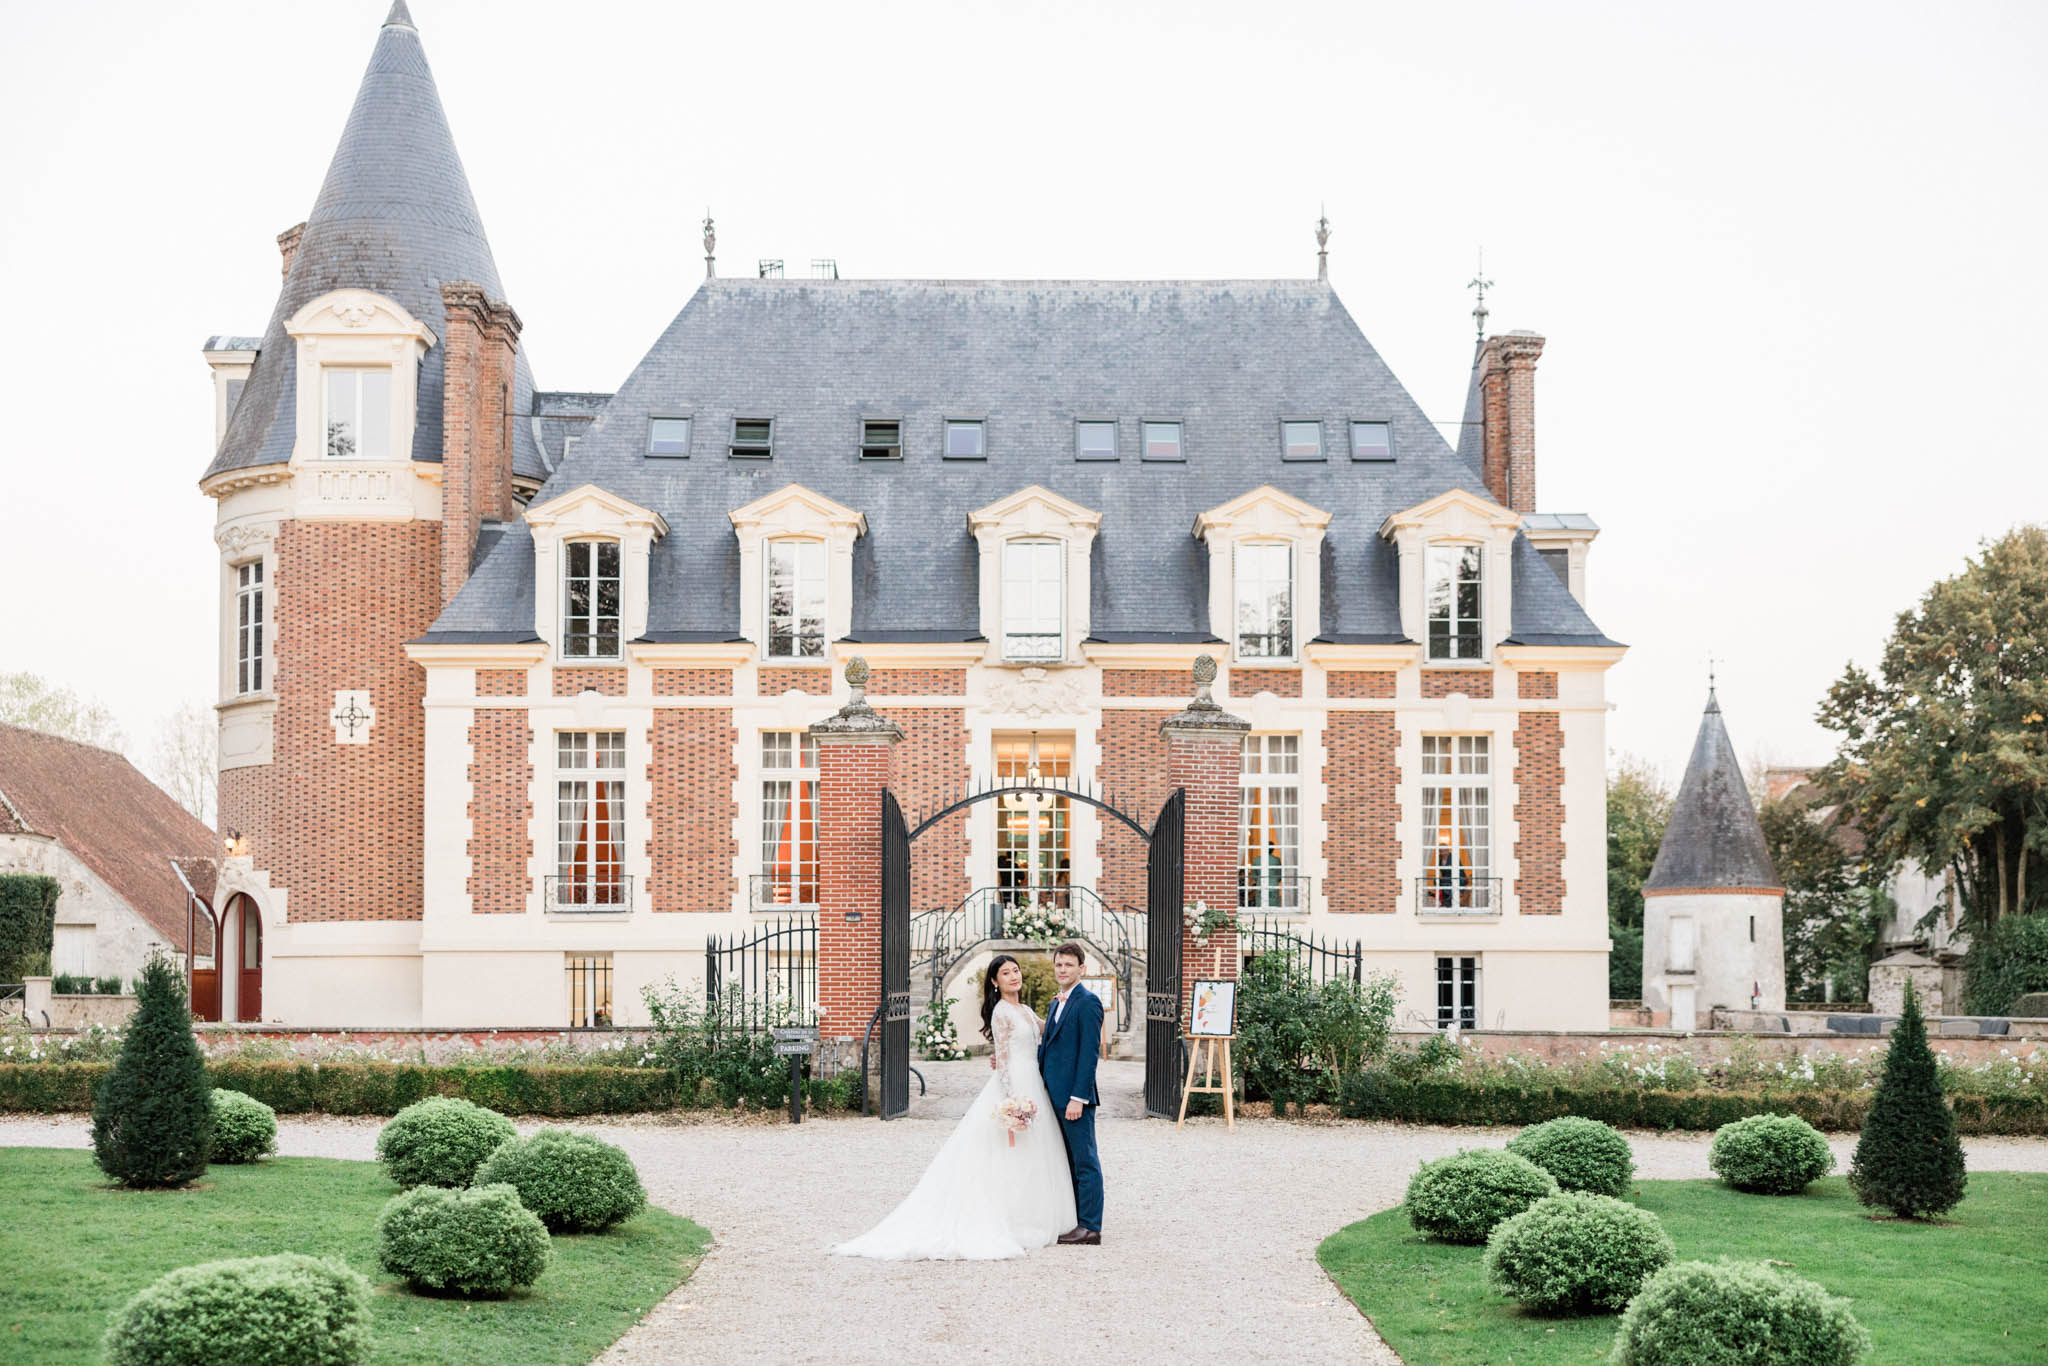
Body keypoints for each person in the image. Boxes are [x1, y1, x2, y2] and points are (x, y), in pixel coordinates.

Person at [830, 955, 1075, 1260]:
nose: (1014, 976)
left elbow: (1049, 1030)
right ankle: (1015, 1221)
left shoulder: (1023, 1009)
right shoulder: (1001, 1012)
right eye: (1005, 973)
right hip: (1016, 1090)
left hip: (1034, 1084)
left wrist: (1064, 1003)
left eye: (1016, 970)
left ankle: (1034, 1215)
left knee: (1035, 1153)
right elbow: (1003, 1060)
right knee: (1009, 1155)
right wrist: (1012, 1103)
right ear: (995, 982)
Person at [1038, 940, 1105, 1244]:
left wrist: (1078, 1097)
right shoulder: (1057, 1001)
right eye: (1058, 964)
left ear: (1082, 968)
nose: (1062, 969)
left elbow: (1089, 1054)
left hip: (1074, 1099)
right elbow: (1049, 1046)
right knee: (1066, 1160)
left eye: (1068, 965)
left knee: (1085, 1160)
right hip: (1054, 1095)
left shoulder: (1088, 1002)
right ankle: (1075, 1218)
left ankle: (1090, 1226)